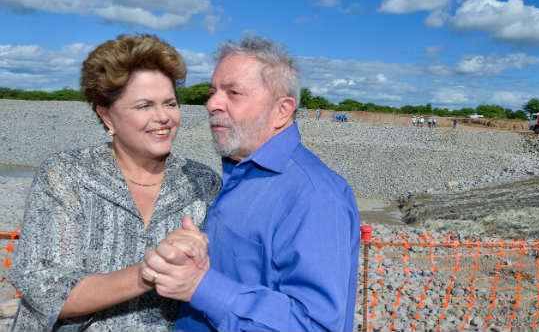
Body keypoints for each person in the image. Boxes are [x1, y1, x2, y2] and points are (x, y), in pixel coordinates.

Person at [142, 36, 361, 331]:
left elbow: (316, 325)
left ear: (282, 111)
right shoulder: (238, 173)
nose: (212, 104)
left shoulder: (315, 197)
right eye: (212, 91)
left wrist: (201, 286)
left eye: (233, 93)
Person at [9, 34, 220, 331]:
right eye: (144, 105)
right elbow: (47, 291)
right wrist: (149, 271)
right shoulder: (66, 175)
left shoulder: (202, 182)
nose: (163, 117)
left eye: (170, 103)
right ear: (106, 115)